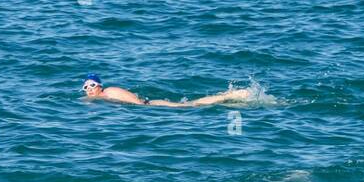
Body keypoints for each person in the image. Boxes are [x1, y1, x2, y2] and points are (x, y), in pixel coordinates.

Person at [81, 74, 250, 108]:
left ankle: (231, 95)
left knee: (189, 106)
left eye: (92, 85)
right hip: (149, 106)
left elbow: (135, 100)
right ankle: (228, 98)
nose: (89, 89)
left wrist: (142, 108)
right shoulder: (99, 98)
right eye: (85, 87)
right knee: (189, 105)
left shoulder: (109, 91)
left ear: (99, 86)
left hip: (150, 105)